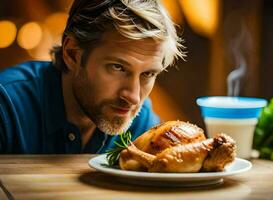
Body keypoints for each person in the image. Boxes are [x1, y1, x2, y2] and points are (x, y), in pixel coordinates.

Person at [0, 0, 184, 154]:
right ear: (72, 53)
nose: (133, 97)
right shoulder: (7, 107)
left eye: (148, 74)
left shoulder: (142, 124)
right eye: (118, 67)